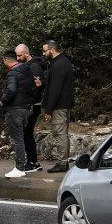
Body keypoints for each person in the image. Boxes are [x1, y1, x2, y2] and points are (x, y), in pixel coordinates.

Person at [41, 40, 75, 173]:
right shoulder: (62, 62)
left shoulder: (59, 64)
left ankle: (62, 163)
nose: (43, 53)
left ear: (52, 50)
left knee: (60, 133)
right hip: (63, 105)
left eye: (45, 50)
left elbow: (55, 89)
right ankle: (63, 162)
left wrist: (49, 110)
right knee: (61, 133)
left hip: (59, 106)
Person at [0, 49, 35, 178]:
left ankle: (19, 168)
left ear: (6, 60)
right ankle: (22, 165)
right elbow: (32, 89)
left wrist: (3, 100)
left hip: (15, 109)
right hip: (26, 109)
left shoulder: (12, 74)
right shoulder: (27, 71)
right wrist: (29, 105)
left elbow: (11, 90)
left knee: (17, 139)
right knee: (21, 138)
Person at [15, 43, 44, 172]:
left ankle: (33, 162)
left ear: (26, 53)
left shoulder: (34, 67)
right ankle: (32, 161)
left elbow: (37, 87)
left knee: (27, 133)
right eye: (16, 55)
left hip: (33, 105)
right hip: (28, 104)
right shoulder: (25, 66)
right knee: (26, 133)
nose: (17, 58)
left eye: (19, 55)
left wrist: (31, 103)